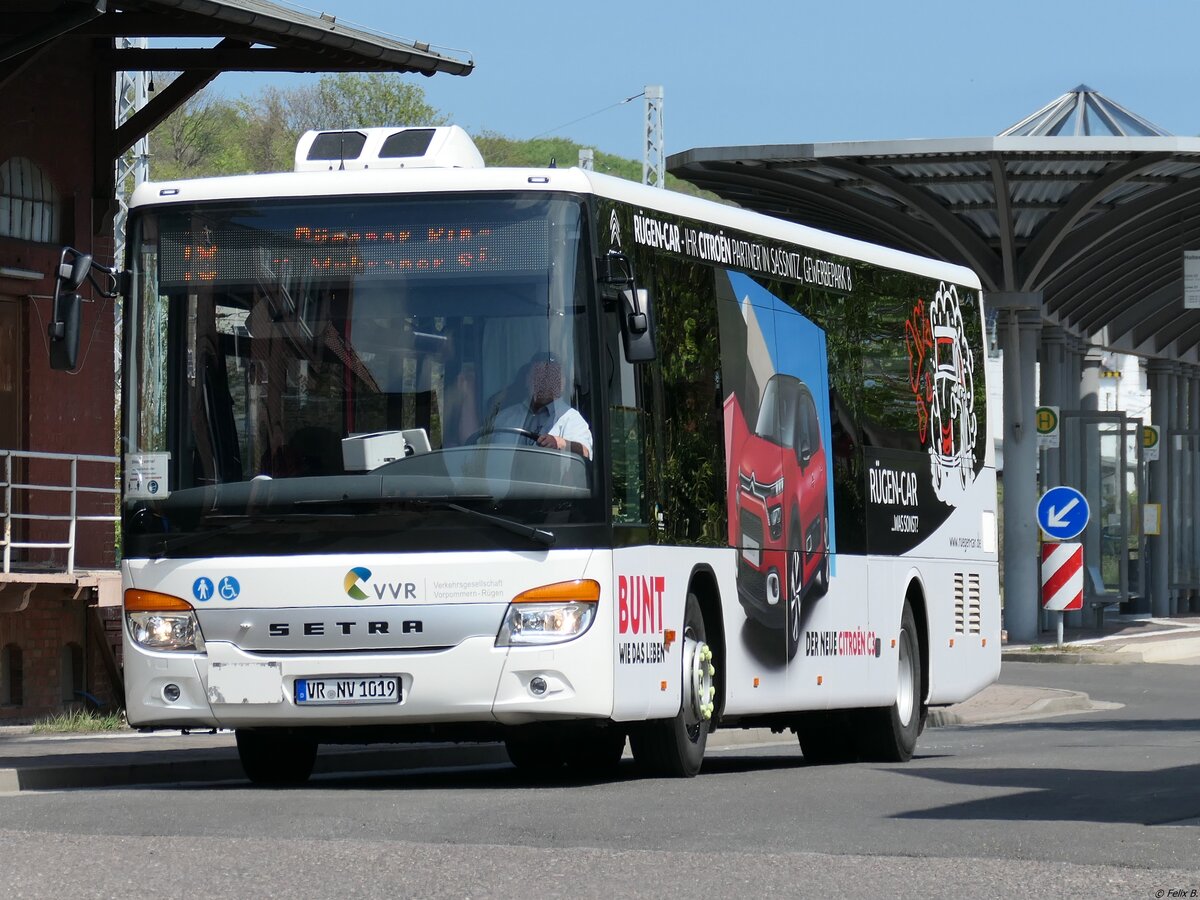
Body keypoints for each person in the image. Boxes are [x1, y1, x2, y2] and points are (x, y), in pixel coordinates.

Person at [492, 352, 593, 458]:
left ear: (561, 383)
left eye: (551, 377)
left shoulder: (570, 418)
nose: (544, 382)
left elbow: (585, 451)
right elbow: (479, 447)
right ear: (528, 380)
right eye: (538, 375)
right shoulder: (505, 417)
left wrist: (561, 443)